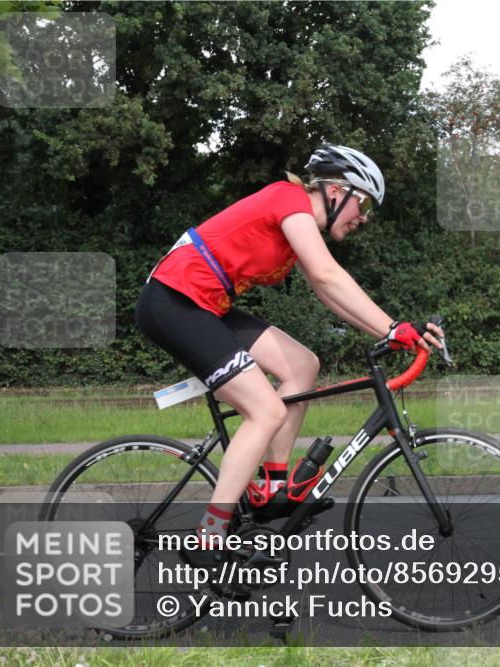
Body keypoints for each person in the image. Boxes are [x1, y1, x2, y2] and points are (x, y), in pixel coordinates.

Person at [135, 144, 444, 565]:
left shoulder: (300, 226)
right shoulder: (289, 199)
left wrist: (392, 333)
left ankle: (270, 486)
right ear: (336, 191)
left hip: (207, 303)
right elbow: (327, 274)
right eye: (364, 202)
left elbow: (326, 290)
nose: (365, 217)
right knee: (265, 411)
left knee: (303, 365)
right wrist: (392, 327)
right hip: (174, 300)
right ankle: (209, 535)